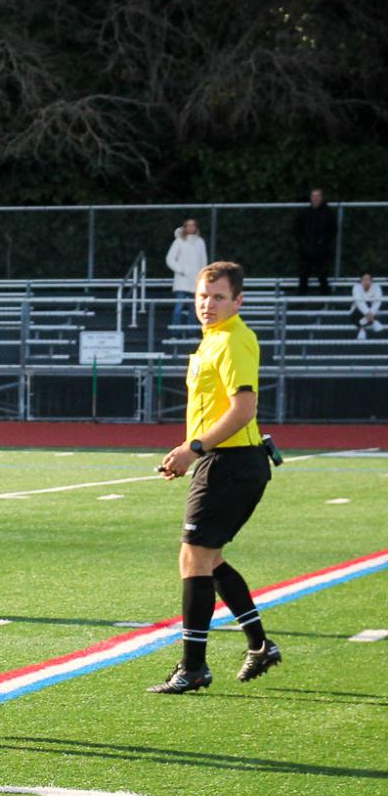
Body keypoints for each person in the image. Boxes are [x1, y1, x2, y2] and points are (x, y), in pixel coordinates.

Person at [150, 261, 279, 693]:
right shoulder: (213, 341)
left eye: (219, 297)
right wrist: (188, 452)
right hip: (223, 460)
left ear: (237, 301)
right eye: (203, 296)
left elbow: (244, 409)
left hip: (231, 461)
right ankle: (260, 645)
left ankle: (194, 667)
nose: (207, 304)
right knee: (209, 558)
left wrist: (194, 449)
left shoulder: (232, 340)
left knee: (195, 558)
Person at [165, 218, 207, 336]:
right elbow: (170, 259)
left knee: (195, 309)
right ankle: (175, 334)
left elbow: (203, 261)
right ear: (185, 227)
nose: (191, 228)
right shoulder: (179, 241)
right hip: (182, 282)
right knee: (178, 309)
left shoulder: (200, 242)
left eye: (193, 225)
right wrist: (181, 270)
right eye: (188, 225)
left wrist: (202, 277)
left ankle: (192, 333)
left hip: (195, 282)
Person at [293, 188, 336, 295]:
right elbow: (297, 229)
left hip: (321, 252)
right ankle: (299, 303)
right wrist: (303, 243)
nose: (315, 199)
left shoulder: (328, 213)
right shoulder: (305, 213)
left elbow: (332, 230)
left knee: (323, 277)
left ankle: (327, 303)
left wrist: (322, 243)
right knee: (303, 277)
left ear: (321, 198)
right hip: (306, 251)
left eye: (317, 196)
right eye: (313, 196)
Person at [350, 273, 383, 339]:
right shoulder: (356, 287)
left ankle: (362, 330)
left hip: (372, 311)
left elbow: (377, 302)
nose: (366, 281)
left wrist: (371, 313)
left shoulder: (376, 287)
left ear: (371, 281)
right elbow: (359, 303)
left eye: (368, 279)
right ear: (361, 280)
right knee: (361, 306)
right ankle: (374, 322)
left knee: (369, 304)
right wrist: (372, 319)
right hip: (357, 310)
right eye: (364, 279)